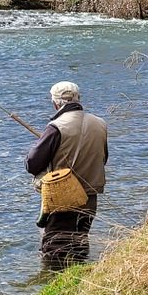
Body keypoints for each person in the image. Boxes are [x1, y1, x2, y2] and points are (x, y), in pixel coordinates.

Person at [25, 81, 108, 268]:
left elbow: (32, 164)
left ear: (55, 103)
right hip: (90, 196)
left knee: (54, 249)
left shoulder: (55, 127)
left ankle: (53, 284)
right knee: (79, 241)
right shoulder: (100, 124)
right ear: (78, 98)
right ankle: (79, 282)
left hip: (62, 197)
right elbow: (104, 158)